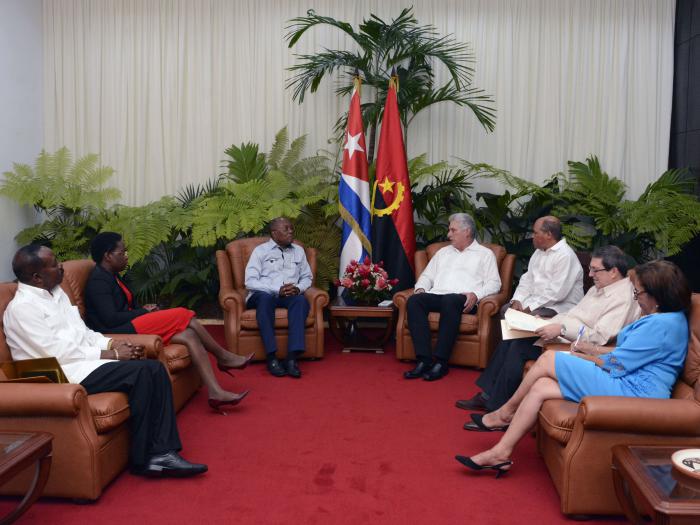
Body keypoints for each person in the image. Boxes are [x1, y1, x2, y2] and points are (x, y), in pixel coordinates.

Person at [455, 259, 690, 477]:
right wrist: (591, 350)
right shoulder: (665, 318)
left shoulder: (661, 324)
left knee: (548, 361)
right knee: (542, 386)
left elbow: (618, 365)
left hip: (635, 391)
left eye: (638, 292)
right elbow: (626, 355)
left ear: (657, 295)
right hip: (628, 380)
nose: (635, 297)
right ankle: (501, 452)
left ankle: (504, 413)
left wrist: (576, 358)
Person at [4, 245, 208, 477]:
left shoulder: (56, 294)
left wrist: (111, 345)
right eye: (54, 264)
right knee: (144, 372)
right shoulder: (22, 309)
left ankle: (153, 455)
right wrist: (110, 355)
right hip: (60, 375)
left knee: (151, 369)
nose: (61, 266)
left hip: (83, 365)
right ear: (37, 277)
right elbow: (56, 353)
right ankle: (155, 456)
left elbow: (84, 333)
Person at [456, 245, 640, 414]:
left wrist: (561, 328)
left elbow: (599, 337)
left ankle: (498, 407)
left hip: (574, 345)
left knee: (519, 348)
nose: (590, 275)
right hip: (560, 332)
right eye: (590, 269)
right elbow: (572, 314)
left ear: (614, 272)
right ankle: (488, 396)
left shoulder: (622, 298)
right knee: (512, 334)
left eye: (595, 270)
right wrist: (544, 321)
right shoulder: (598, 288)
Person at [84, 232, 250, 414]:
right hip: (117, 332)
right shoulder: (98, 281)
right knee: (183, 314)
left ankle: (216, 391)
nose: (126, 256)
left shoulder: (113, 276)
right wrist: (142, 312)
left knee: (189, 334)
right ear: (108, 256)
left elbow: (123, 306)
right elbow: (110, 319)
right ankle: (222, 356)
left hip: (129, 323)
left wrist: (142, 308)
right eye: (122, 252)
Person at [403, 213, 501, 381]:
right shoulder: (443, 252)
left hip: (463, 299)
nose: (448, 235)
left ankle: (441, 362)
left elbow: (494, 284)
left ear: (467, 232)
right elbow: (427, 277)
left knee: (451, 300)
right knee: (414, 300)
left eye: (453, 230)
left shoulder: (485, 254)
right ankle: (424, 360)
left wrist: (476, 294)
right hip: (438, 295)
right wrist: (420, 289)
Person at [245, 217, 312, 378]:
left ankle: (291, 358)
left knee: (301, 300)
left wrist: (298, 288)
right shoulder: (260, 251)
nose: (291, 231)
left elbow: (307, 277)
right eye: (286, 229)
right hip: (263, 294)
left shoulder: (298, 251)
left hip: (289, 295)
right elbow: (250, 281)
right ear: (274, 233)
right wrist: (276, 289)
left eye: (292, 229)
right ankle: (272, 357)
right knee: (265, 299)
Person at [505, 216, 583, 318]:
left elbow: (556, 294)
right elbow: (528, 279)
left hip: (559, 306)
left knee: (526, 317)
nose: (532, 236)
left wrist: (528, 309)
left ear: (548, 235)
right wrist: (518, 300)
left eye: (536, 233)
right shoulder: (539, 251)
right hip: (536, 302)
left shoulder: (565, 256)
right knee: (506, 310)